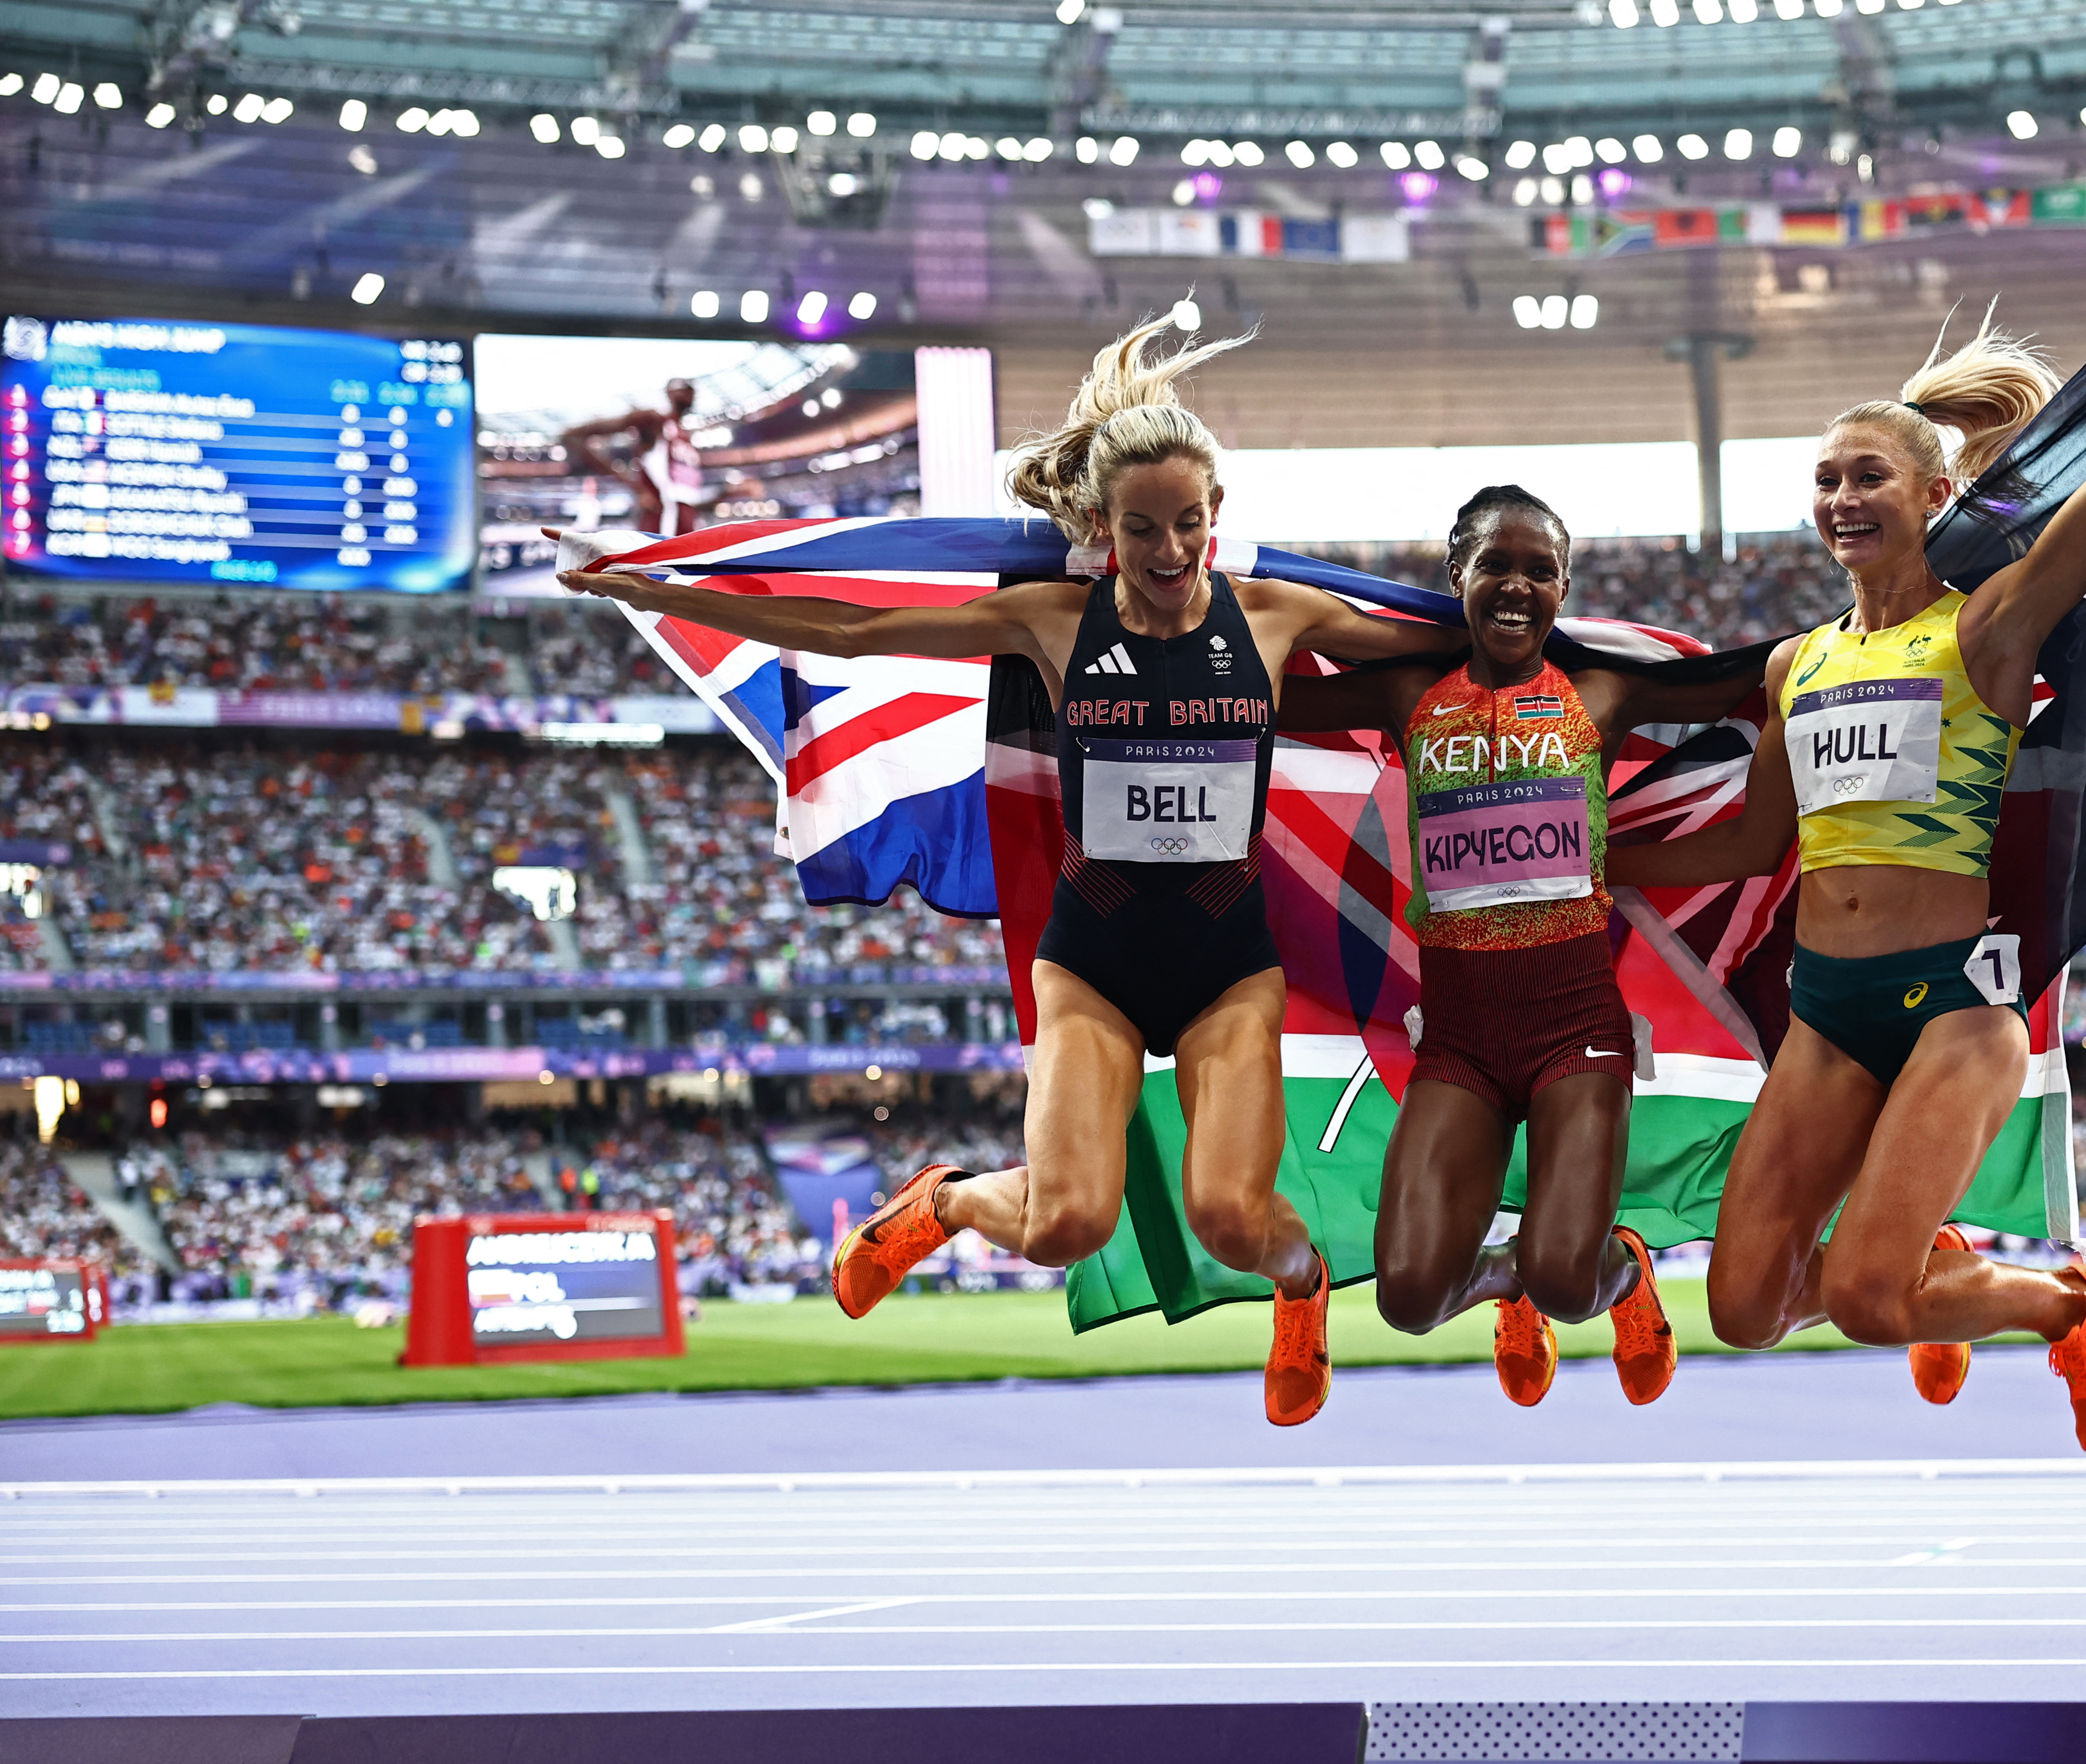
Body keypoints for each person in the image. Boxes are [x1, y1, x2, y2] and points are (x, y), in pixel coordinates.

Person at [555, 319, 1468, 1425]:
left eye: (1189, 523)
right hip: (1094, 961)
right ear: (1100, 525)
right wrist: (665, 594)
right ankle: (942, 1203)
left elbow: (1450, 645)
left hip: (1229, 962)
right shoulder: (1051, 621)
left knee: (1235, 1219)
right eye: (1143, 529)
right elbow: (849, 634)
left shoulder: (1274, 615)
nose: (1172, 552)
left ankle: (1300, 1282)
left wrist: (1588, 650)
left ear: (1217, 514)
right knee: (1064, 1226)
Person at [1608, 195, 2086, 1452]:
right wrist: (1600, 861)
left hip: (1954, 1007)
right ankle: (1926, 1254)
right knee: (1746, 1306)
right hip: (1828, 1011)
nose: (1840, 497)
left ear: (1933, 494)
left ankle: (2062, 1300)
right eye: (1823, 480)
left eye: (1866, 475)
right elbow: (1750, 844)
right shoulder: (1797, 667)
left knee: (1873, 1304)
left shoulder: (1987, 628)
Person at [1277, 486, 1760, 1407]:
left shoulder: (1602, 692)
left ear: (1565, 588)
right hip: (1459, 1040)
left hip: (1575, 1029)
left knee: (1570, 1283)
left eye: (1541, 571)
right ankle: (1507, 1285)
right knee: (1412, 1299)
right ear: (1457, 575)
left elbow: (1757, 680)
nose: (1516, 587)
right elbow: (1253, 702)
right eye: (1496, 565)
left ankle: (1620, 1272)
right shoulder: (1408, 692)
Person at [561, 378, 708, 536]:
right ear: (669, 393)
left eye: (689, 390)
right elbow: (573, 437)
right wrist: (635, 486)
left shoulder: (685, 435)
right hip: (662, 515)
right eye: (680, 389)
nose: (686, 394)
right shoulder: (654, 421)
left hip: (685, 516)